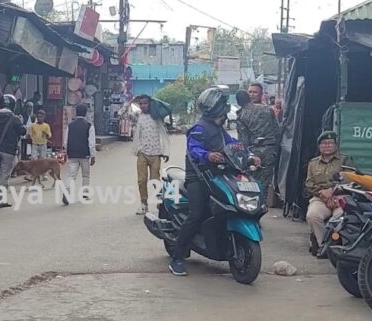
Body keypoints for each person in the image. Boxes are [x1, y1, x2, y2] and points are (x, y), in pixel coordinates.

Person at [170, 87, 260, 277]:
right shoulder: (199, 128)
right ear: (216, 107)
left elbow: (236, 146)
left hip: (218, 175)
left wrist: (250, 156)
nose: (226, 108)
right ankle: (177, 258)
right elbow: (194, 149)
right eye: (223, 105)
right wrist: (208, 155)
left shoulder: (220, 130)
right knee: (197, 213)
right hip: (198, 177)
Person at [119, 94, 171, 215]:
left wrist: (166, 152)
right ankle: (144, 205)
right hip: (142, 153)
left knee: (155, 180)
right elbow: (121, 114)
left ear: (150, 104)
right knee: (141, 180)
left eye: (145, 103)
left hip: (156, 154)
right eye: (141, 104)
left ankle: (161, 202)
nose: (142, 106)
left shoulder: (157, 117)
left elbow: (164, 135)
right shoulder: (137, 116)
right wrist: (131, 101)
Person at [305, 131, 353, 256]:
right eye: (324, 143)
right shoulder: (313, 163)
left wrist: (333, 192)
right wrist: (323, 195)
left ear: (336, 146)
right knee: (312, 216)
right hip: (320, 199)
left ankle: (337, 245)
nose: (327, 146)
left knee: (339, 219)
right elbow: (309, 184)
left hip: (340, 197)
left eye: (330, 143)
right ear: (319, 146)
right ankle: (324, 246)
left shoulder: (345, 160)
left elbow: (350, 180)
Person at [236, 89, 280, 202]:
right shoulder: (267, 109)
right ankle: (262, 205)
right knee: (265, 184)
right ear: (249, 98)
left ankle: (252, 207)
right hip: (270, 150)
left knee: (251, 183)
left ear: (238, 102)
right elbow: (277, 130)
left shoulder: (242, 116)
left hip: (254, 153)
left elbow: (243, 141)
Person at [0, 94, 27, 208]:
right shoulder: (15, 118)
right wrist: (21, 121)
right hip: (8, 150)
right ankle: (0, 200)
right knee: (4, 175)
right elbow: (23, 131)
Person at [63, 104, 96, 205]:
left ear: (76, 112)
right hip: (84, 154)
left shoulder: (70, 125)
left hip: (72, 154)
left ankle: (67, 191)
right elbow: (91, 142)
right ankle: (85, 193)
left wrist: (66, 152)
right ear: (86, 113)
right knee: (86, 175)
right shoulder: (89, 126)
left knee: (71, 175)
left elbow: (65, 141)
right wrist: (93, 155)